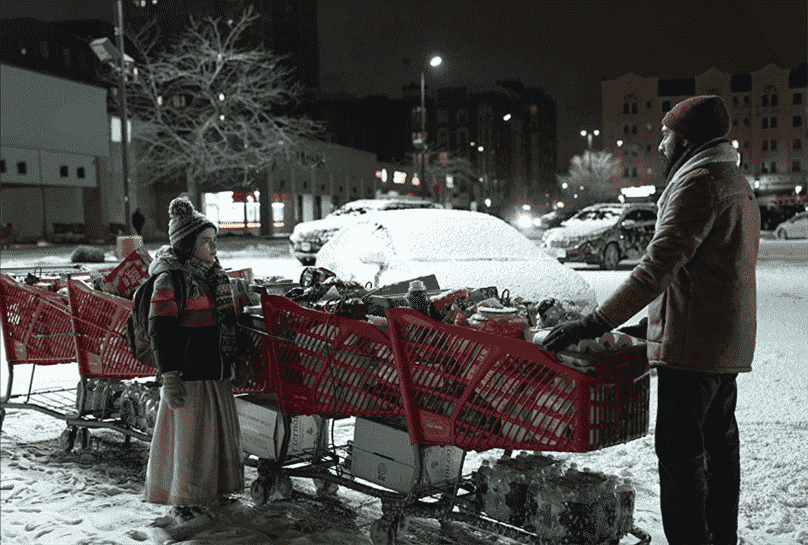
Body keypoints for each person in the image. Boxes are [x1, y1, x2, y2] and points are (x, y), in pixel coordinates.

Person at [542, 95, 759, 545]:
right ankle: (723, 537)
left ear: (686, 139)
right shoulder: (734, 179)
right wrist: (649, 326)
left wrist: (595, 323)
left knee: (680, 456)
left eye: (666, 135)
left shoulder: (699, 182)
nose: (660, 145)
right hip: (723, 342)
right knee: (720, 451)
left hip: (693, 351)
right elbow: (708, 273)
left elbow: (657, 267)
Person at [144, 196, 244, 523]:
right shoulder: (170, 278)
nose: (213, 247)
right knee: (189, 442)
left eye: (215, 241)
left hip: (212, 371)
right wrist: (169, 374)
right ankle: (185, 501)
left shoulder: (212, 276)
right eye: (205, 241)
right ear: (187, 243)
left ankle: (212, 493)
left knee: (214, 437)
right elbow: (160, 329)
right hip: (187, 373)